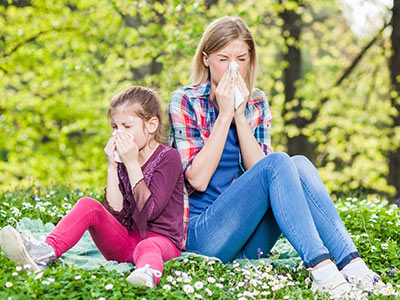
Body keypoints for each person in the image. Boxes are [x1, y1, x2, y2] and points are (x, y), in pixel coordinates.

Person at [168, 16, 383, 299]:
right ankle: (321, 269)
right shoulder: (186, 100)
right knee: (281, 161)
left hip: (247, 238)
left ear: (250, 60)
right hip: (202, 237)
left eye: (241, 59)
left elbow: (268, 175)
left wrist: (240, 116)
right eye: (223, 59)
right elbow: (197, 179)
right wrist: (224, 114)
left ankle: (352, 265)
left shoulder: (256, 102)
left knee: (298, 164)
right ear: (206, 59)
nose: (233, 67)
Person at [1, 86, 185, 288]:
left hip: (161, 244)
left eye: (126, 126)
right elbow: (115, 214)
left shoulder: (168, 157)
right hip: (125, 245)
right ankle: (43, 253)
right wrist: (112, 166)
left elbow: (149, 211)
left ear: (151, 126)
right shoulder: (124, 161)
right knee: (88, 204)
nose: (119, 133)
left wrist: (132, 163)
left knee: (148, 246)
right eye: (115, 127)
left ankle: (146, 274)